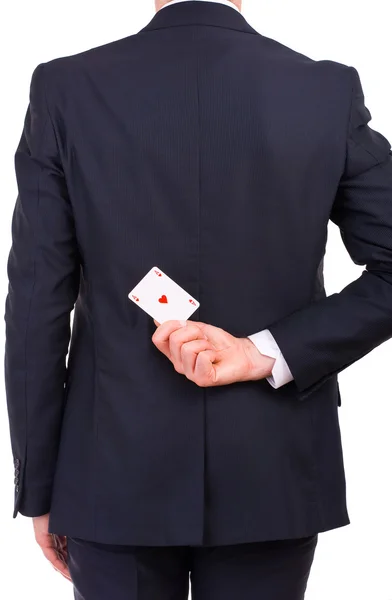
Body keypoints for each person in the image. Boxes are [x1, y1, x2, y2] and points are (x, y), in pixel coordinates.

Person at [4, 0, 392, 598]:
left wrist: (40, 486)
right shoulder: (324, 89)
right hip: (272, 473)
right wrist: (267, 353)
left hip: (110, 475)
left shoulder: (66, 86)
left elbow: (36, 304)